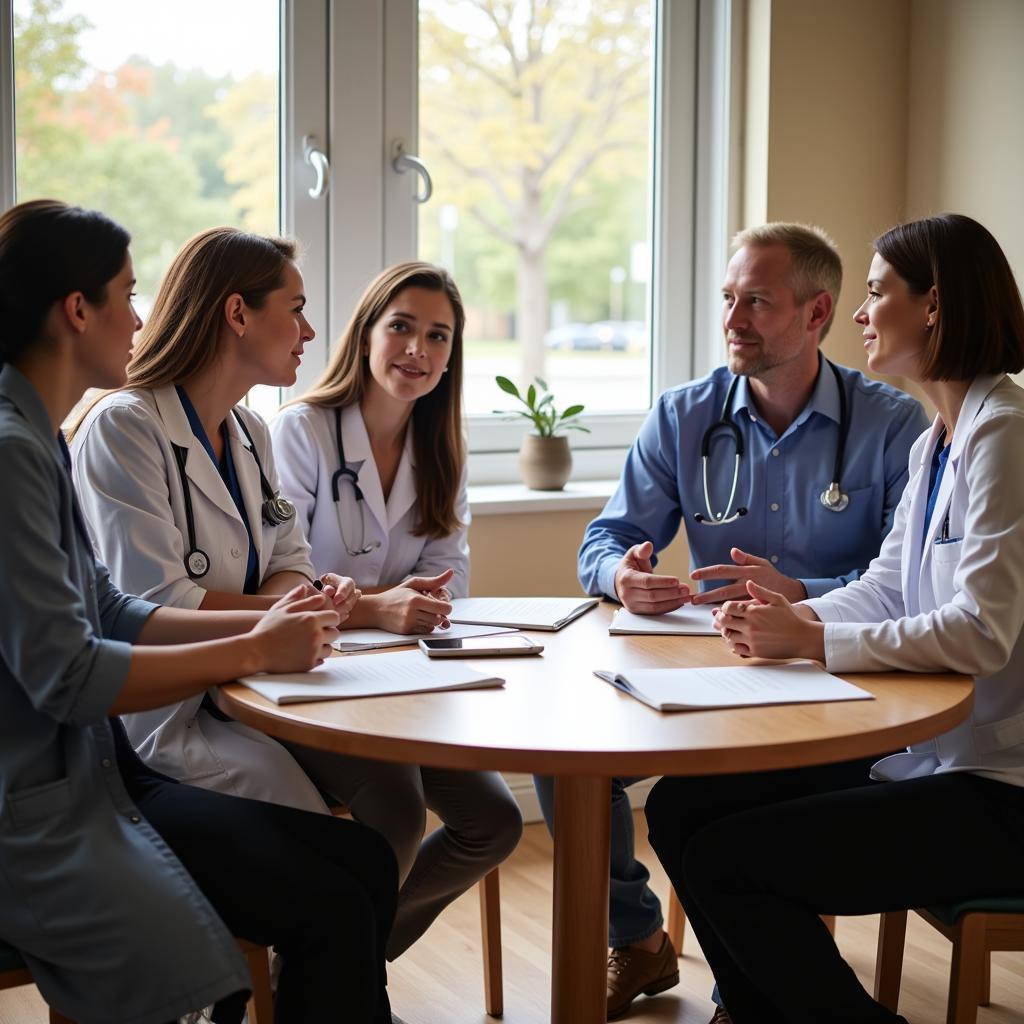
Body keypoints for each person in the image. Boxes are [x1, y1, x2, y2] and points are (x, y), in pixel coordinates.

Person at [0, 199, 396, 1024]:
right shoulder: (33, 446)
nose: (140, 318)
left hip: (105, 764)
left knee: (366, 859)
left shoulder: (41, 436)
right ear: (79, 311)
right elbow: (72, 672)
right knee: (332, 904)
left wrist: (276, 626)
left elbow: (111, 605)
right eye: (127, 293)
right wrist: (255, 647)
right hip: (56, 788)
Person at [536, 222, 929, 1019]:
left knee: (719, 807)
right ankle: (639, 935)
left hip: (837, 677)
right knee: (563, 758)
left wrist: (805, 592)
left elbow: (909, 580)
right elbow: (604, 538)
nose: (734, 320)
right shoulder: (684, 417)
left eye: (757, 301)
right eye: (728, 299)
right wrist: (625, 575)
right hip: (710, 666)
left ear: (817, 314)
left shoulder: (891, 426)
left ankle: (744, 988)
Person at [645, 212, 1024, 1024]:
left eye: (878, 292)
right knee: (681, 805)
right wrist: (788, 609)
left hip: (1000, 790)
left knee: (726, 861)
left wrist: (813, 637)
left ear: (934, 306)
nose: (860, 311)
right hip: (931, 759)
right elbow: (890, 586)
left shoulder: (1007, 436)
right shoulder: (940, 439)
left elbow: (982, 634)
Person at [268, 261, 523, 958]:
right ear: (365, 335)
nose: (418, 350)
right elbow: (283, 582)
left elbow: (449, 582)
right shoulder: (303, 432)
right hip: (315, 677)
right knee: (398, 811)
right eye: (402, 327)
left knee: (496, 823)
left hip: (411, 681)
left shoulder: (441, 450)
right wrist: (381, 608)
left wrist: (393, 608)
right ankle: (343, 983)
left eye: (438, 337)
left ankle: (340, 967)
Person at [70, 227, 363, 813]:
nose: (308, 332)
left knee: (397, 795)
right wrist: (291, 616)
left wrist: (295, 606)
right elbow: (160, 603)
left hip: (265, 682)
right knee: (314, 829)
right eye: (296, 310)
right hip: (175, 710)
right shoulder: (125, 427)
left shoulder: (251, 431)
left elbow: (290, 562)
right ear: (238, 313)